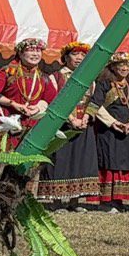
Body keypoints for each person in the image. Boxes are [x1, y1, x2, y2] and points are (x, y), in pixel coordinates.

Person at [38, 42, 101, 208]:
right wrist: (71, 120)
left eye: (83, 55)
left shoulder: (90, 79)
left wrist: (86, 117)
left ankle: (75, 200)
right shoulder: (56, 77)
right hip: (61, 126)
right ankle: (56, 200)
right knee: (60, 161)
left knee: (80, 161)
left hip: (83, 125)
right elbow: (54, 100)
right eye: (75, 54)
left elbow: (94, 100)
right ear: (66, 57)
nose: (79, 58)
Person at [0, 37, 60, 163]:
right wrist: (12, 103)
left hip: (29, 123)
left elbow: (52, 100)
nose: (35, 54)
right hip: (5, 120)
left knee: (24, 163)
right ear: (20, 53)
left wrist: (38, 107)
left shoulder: (43, 78)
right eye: (30, 50)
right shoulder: (8, 71)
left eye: (38, 51)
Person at [88, 53, 129, 210]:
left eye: (127, 65)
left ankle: (119, 200)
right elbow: (95, 104)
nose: (124, 68)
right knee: (108, 163)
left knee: (124, 164)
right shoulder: (103, 85)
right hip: (107, 131)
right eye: (121, 65)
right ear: (112, 67)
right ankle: (105, 201)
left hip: (127, 131)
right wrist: (112, 123)